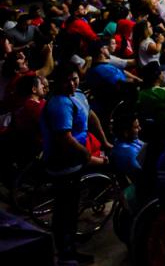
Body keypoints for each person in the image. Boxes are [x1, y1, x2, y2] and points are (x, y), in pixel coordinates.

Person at [42, 63, 108, 264]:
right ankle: (65, 253)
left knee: (71, 209)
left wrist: (104, 140)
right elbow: (64, 139)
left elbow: (90, 114)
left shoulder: (78, 95)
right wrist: (88, 157)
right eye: (67, 81)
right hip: (64, 164)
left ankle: (70, 249)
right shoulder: (59, 104)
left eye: (74, 79)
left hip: (77, 159)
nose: (71, 84)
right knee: (65, 212)